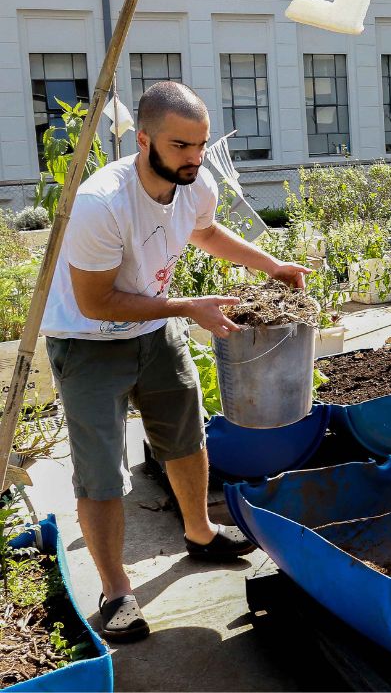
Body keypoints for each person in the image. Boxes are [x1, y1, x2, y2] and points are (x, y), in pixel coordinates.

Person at [39, 81, 311, 643]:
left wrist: (274, 265)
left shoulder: (196, 183)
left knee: (187, 437)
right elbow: (96, 301)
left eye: (201, 144)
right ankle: (117, 590)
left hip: (155, 329)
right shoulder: (101, 204)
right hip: (89, 341)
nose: (195, 157)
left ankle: (201, 532)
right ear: (143, 140)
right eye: (182, 145)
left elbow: (205, 231)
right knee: (101, 470)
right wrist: (187, 306)